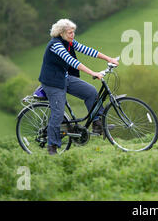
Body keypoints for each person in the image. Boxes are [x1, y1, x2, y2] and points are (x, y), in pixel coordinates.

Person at [38, 19, 119, 155]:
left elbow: (87, 50)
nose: (72, 35)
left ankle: (97, 123)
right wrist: (93, 73)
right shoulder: (55, 45)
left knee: (91, 92)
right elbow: (72, 62)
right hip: (52, 82)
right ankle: (52, 146)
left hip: (64, 77)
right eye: (70, 33)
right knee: (58, 113)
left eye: (73, 32)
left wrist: (109, 59)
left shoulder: (69, 42)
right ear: (61, 33)